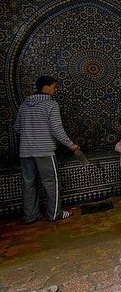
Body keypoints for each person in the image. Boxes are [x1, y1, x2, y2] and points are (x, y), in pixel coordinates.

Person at [14, 76, 79, 223]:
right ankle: (55, 213)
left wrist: (30, 133)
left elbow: (17, 127)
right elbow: (57, 130)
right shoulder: (51, 105)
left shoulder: (24, 104)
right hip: (44, 151)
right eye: (54, 87)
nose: (56, 90)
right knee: (51, 183)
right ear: (45, 88)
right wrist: (70, 144)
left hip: (25, 151)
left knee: (29, 184)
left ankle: (30, 216)